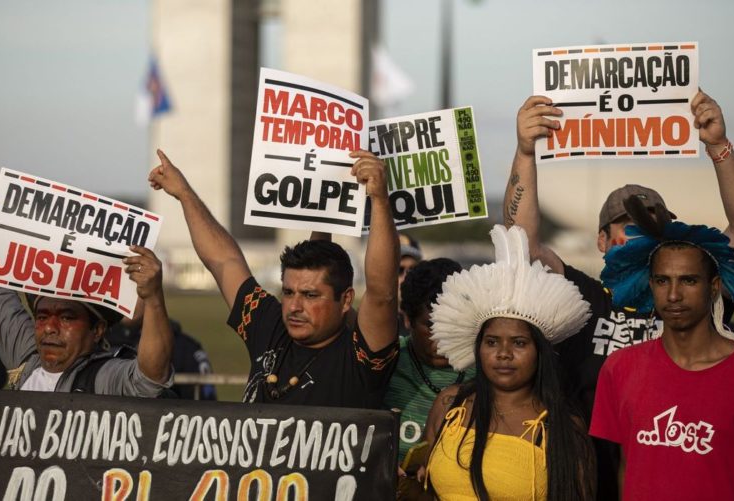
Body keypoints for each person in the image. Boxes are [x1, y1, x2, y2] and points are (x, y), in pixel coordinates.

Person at [503, 90, 734, 498]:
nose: (639, 234)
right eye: (626, 225)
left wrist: (717, 146)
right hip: (590, 482)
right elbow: (523, 244)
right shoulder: (583, 298)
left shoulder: (693, 298)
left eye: (651, 225)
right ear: (602, 240)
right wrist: (523, 152)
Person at [148, 149, 400, 408]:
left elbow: (383, 294)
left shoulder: (360, 357)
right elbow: (223, 260)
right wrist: (184, 194)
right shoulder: (271, 327)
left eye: (310, 295)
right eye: (288, 292)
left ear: (346, 300)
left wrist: (379, 200)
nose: (294, 306)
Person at [590, 197, 734, 500]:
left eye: (689, 280)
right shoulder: (619, 368)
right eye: (662, 280)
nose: (673, 294)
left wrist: (720, 149)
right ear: (650, 285)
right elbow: (627, 468)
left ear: (713, 286)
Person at [422, 225, 595, 501]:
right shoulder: (449, 406)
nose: (503, 353)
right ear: (478, 348)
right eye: (491, 342)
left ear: (540, 351)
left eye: (519, 343)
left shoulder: (561, 428)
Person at [0, 246, 174, 396]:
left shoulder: (103, 377)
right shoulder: (29, 361)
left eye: (66, 318)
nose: (49, 327)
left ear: (97, 330)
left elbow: (150, 377)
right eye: (42, 317)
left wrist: (153, 298)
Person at [383, 258, 475, 500]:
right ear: (407, 320)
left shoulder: (488, 373)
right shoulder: (384, 365)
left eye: (451, 324)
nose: (442, 336)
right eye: (430, 325)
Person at [107, 311, 217, 400]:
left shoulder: (185, 348)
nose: (126, 296)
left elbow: (206, 412)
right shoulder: (95, 340)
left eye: (134, 287)